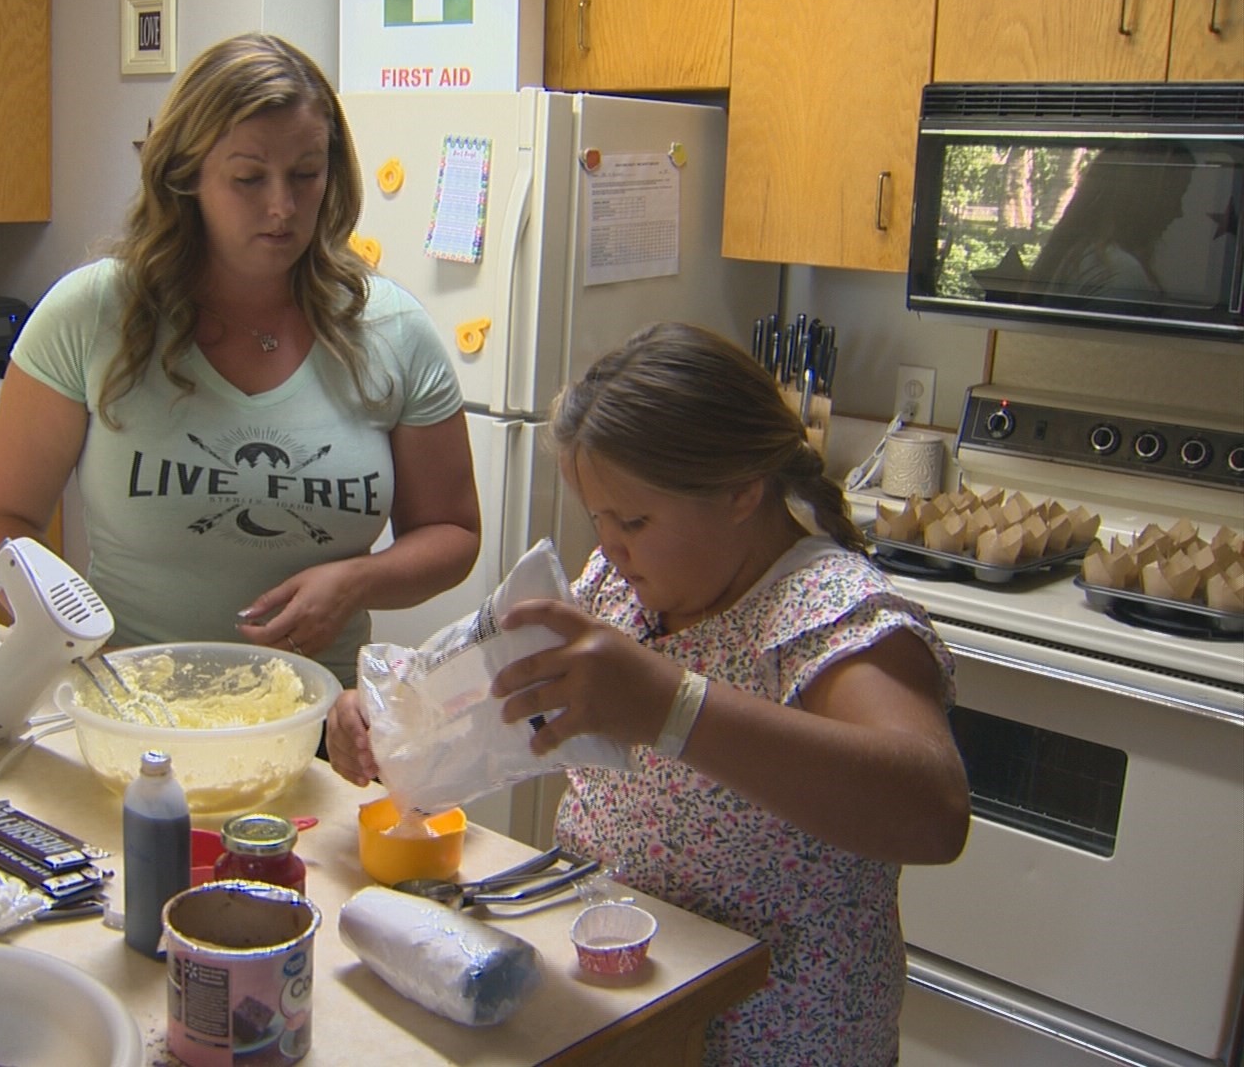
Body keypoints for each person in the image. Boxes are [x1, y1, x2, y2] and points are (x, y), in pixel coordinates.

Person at [327, 323, 971, 1064]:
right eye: (598, 518)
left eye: (633, 520)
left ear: (741, 493)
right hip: (625, 1003)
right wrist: (388, 716)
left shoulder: (828, 611)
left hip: (775, 1033)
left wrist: (676, 709)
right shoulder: (620, 585)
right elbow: (477, 677)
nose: (609, 546)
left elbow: (934, 813)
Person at [0, 33, 479, 685]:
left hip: (318, 727)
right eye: (247, 178)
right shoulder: (93, 312)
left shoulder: (393, 330)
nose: (282, 207)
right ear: (187, 177)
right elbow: (3, 517)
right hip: (130, 709)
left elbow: (451, 532)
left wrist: (361, 580)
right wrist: (61, 644)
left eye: (306, 174)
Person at [1026, 147, 1194, 301]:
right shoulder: (1122, 276)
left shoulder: (1079, 254)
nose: (1178, 213)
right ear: (1145, 200)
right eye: (1175, 196)